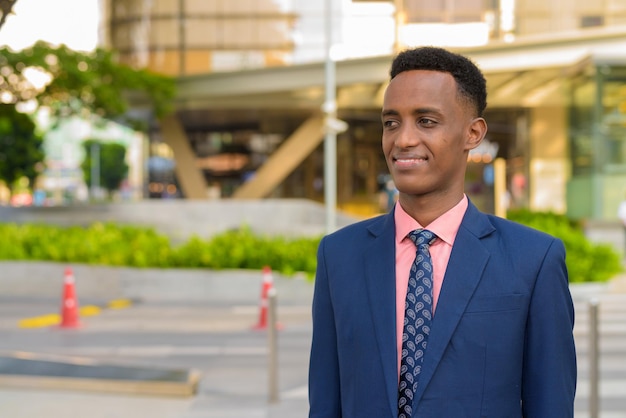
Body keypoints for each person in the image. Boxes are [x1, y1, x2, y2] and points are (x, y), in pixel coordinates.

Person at [308, 47, 576, 417]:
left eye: (426, 121)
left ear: (473, 133)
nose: (402, 139)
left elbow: (551, 406)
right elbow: (325, 402)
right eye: (391, 122)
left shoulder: (533, 260)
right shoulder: (338, 256)